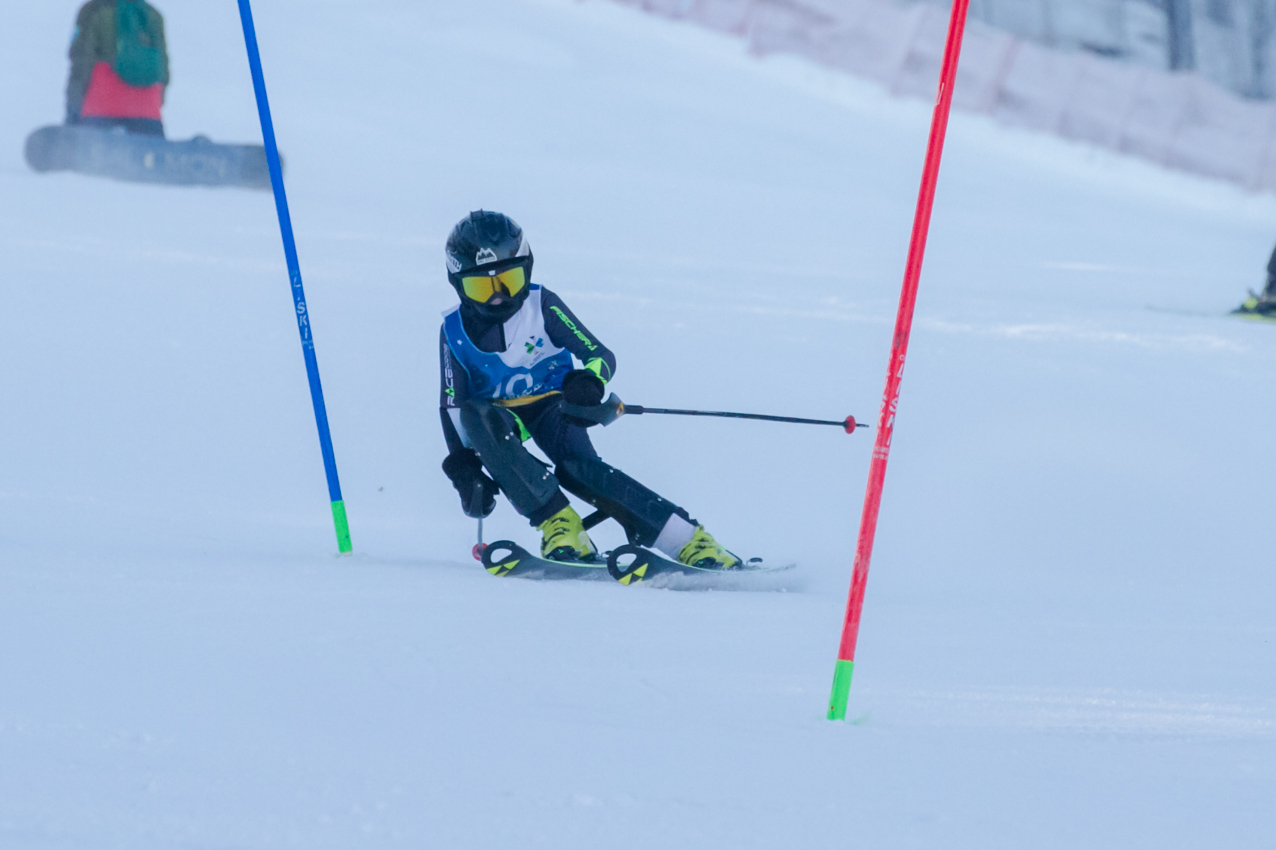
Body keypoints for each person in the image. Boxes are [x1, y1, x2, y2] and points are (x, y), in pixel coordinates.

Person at [438, 211, 740, 567]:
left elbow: (599, 355)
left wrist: (590, 382)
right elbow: (453, 405)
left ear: (527, 269)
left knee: (579, 470)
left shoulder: (541, 305)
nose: (497, 298)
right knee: (478, 415)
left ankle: (688, 540)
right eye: (481, 287)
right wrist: (464, 467)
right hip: (502, 420)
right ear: (458, 284)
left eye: (509, 281)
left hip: (555, 408)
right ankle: (560, 526)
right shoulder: (453, 331)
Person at [66, 0, 170, 137]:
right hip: (147, 111)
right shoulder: (152, 15)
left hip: (100, 108)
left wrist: (72, 110)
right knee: (148, 149)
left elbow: (81, 64)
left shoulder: (93, 10)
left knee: (94, 149)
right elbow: (163, 71)